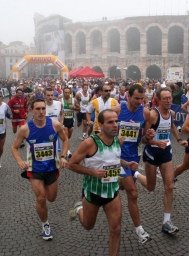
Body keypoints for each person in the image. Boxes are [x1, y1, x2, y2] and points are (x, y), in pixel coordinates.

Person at [68, 110, 137, 256]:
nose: (115, 125)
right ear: (101, 124)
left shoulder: (118, 140)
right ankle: (79, 207)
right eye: (110, 122)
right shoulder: (89, 143)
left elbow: (114, 160)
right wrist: (93, 172)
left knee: (116, 229)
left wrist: (126, 164)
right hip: (93, 191)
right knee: (88, 225)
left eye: (116, 121)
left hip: (112, 191)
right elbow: (72, 164)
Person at [11, 98, 69, 241]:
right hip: (35, 168)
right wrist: (20, 161)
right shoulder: (25, 129)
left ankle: (45, 218)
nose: (41, 112)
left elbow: (65, 139)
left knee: (52, 198)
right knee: (41, 198)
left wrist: (63, 157)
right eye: (37, 109)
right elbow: (14, 147)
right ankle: (45, 225)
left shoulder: (55, 125)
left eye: (43, 108)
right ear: (32, 110)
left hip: (51, 167)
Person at [142, 87, 188, 234]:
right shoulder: (153, 115)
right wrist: (154, 141)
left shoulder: (172, 113)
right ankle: (135, 174)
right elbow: (143, 139)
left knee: (169, 186)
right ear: (159, 100)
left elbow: (172, 125)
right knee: (150, 187)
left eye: (170, 98)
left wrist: (179, 140)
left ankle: (166, 222)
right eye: (165, 98)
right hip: (152, 152)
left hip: (166, 151)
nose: (169, 101)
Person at [118, 84, 152, 244]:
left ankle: (86, 201)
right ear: (128, 96)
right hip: (117, 157)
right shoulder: (118, 110)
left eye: (142, 99)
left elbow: (144, 139)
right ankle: (140, 230)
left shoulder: (145, 113)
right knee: (132, 193)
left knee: (123, 187)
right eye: (136, 98)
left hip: (134, 156)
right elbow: (103, 132)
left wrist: (148, 136)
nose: (139, 101)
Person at [61, 87, 79, 157]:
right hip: (64, 120)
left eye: (68, 92)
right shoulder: (61, 100)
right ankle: (67, 152)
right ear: (63, 93)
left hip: (71, 120)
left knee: (68, 137)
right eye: (65, 92)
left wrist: (74, 108)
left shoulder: (74, 100)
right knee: (66, 136)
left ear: (70, 92)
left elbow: (79, 109)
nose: (67, 94)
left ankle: (65, 146)